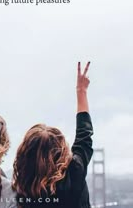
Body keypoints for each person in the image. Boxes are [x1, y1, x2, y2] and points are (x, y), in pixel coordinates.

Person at [12, 62, 93, 208]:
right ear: (61, 150)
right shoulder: (75, 171)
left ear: (25, 156)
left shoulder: (22, 190)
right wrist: (81, 91)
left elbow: (84, 136)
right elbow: (84, 135)